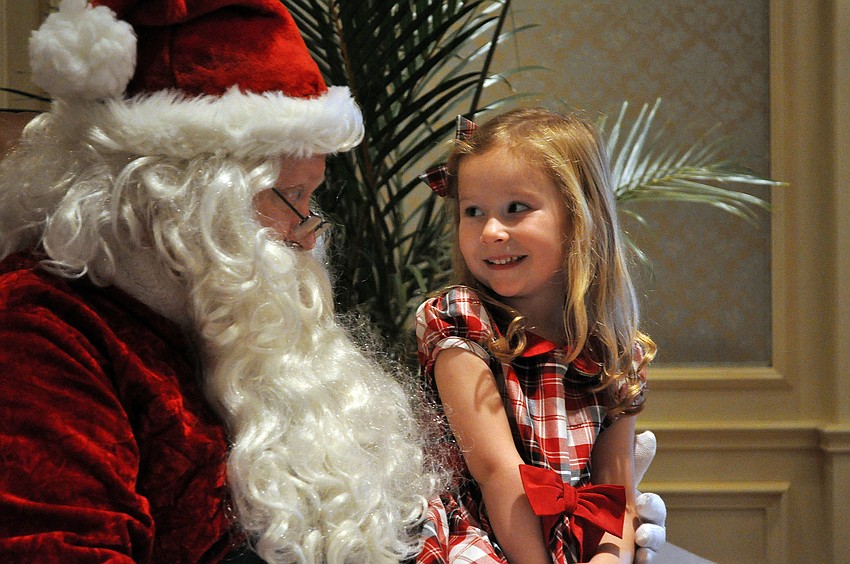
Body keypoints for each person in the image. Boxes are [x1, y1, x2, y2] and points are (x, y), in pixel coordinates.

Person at [0, 0, 435, 562]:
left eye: (312, 197)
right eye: (292, 198)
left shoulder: (207, 311)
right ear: (186, 197)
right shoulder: (40, 333)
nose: (310, 235)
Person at [414, 109, 660, 563]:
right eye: (473, 211)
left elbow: (614, 491)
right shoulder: (459, 318)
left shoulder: (617, 351)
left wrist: (609, 558)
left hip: (575, 541)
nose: (491, 231)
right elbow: (494, 472)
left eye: (515, 208)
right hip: (483, 530)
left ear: (579, 218)